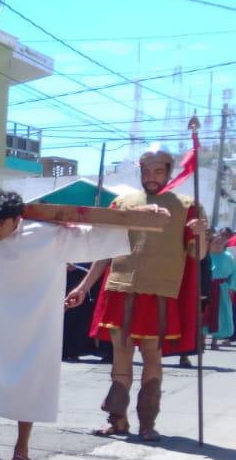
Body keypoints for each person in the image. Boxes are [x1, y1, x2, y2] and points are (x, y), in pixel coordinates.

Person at [0, 190, 132, 460]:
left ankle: (22, 448)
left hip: (32, 323)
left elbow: (98, 237)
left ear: (17, 219)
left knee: (29, 381)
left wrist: (137, 217)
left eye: (1, 224)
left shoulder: (47, 234)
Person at [70, 146, 208, 441]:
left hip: (159, 292)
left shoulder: (188, 205)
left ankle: (147, 422)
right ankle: (117, 419)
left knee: (151, 356)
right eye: (146, 171)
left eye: (158, 171)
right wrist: (83, 287)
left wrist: (200, 234)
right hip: (120, 289)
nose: (151, 177)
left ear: (169, 171)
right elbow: (105, 251)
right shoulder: (123, 204)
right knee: (120, 356)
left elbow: (198, 254)